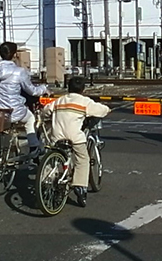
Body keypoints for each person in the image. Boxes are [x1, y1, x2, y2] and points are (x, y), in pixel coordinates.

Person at [41, 76, 110, 207]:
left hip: (57, 136)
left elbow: (45, 111)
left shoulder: (59, 101)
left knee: (53, 157)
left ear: (68, 88)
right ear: (83, 89)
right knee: (83, 160)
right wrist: (107, 109)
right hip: (75, 137)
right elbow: (100, 110)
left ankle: (47, 179)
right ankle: (80, 187)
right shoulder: (84, 101)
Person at [0, 42, 49, 158]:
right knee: (30, 119)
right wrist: (44, 88)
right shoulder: (19, 71)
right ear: (15, 54)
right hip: (13, 111)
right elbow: (32, 91)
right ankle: (34, 147)